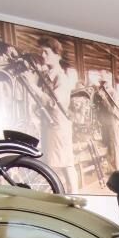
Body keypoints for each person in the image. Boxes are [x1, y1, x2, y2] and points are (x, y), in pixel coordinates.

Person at [34, 36, 78, 190]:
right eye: (41, 52)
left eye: (46, 52)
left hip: (59, 125)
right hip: (51, 124)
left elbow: (54, 103)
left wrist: (34, 88)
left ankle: (72, 194)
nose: (42, 55)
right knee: (60, 163)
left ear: (57, 55)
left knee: (63, 164)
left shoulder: (61, 77)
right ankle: (68, 194)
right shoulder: (48, 75)